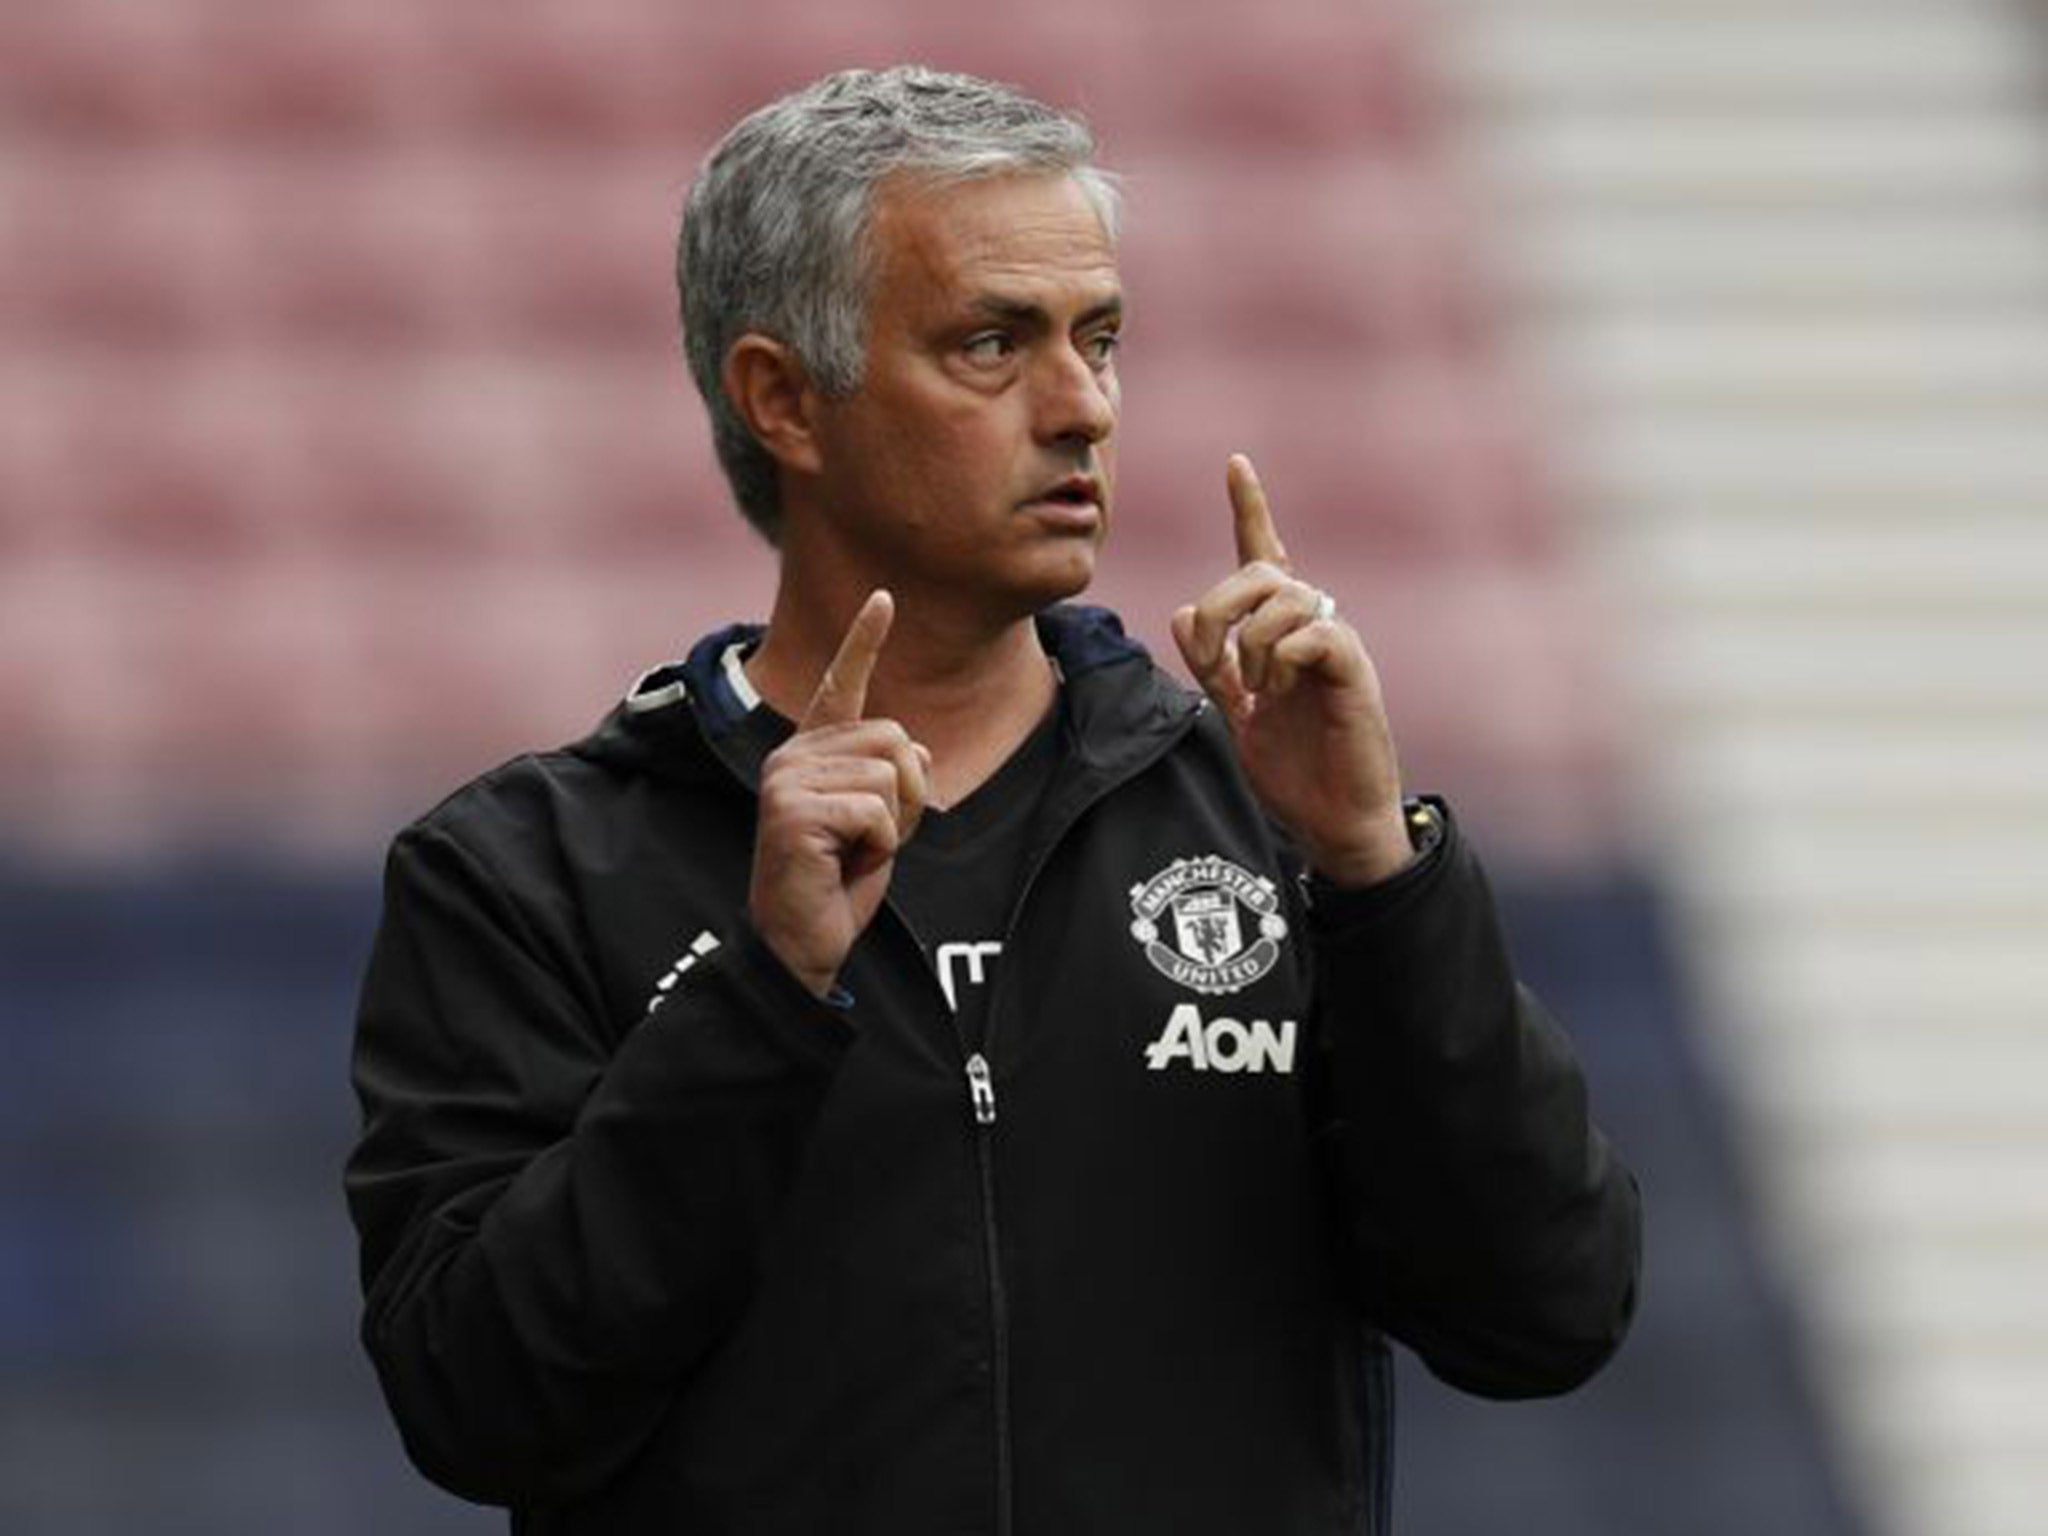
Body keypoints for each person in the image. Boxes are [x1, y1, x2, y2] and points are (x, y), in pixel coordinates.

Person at [346, 64, 1640, 1536]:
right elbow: (479, 1403)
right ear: (784, 399)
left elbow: (1546, 1312)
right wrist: (766, 999)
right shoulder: (521, 873)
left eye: (1100, 339)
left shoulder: (1273, 819)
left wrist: (1375, 873)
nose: (1082, 406)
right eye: (990, 344)